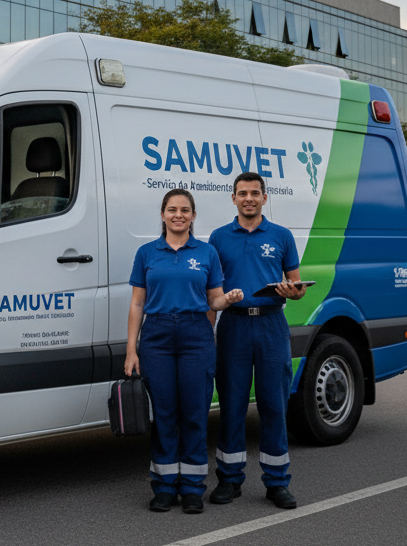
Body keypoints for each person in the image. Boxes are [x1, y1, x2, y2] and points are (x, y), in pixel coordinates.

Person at [125, 188, 243, 514]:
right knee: (164, 414)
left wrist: (227, 300)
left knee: (194, 413)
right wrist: (131, 350)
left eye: (185, 210)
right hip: (157, 336)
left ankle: (192, 488)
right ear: (163, 214)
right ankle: (164, 487)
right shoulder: (146, 253)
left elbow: (214, 300)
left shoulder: (206, 253)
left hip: (195, 335)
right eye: (172, 209)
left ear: (193, 216)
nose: (179, 215)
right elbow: (137, 303)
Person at [207, 171, 306, 510]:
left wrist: (293, 292)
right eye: (242, 193)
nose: (248, 198)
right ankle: (229, 479)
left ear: (264, 198)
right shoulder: (218, 238)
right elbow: (211, 291)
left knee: (274, 405)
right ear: (233, 198)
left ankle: (277, 483)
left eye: (254, 193)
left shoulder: (281, 235)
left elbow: (297, 287)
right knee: (232, 405)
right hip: (233, 325)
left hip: (271, 325)